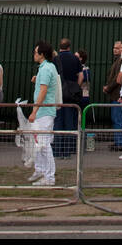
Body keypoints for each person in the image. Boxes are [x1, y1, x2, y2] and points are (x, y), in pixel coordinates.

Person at [28, 41, 59, 186]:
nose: (34, 55)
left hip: (44, 111)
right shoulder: (46, 68)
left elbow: (44, 90)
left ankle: (49, 177)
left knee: (44, 144)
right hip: (43, 111)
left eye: (35, 52)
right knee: (39, 143)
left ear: (41, 54)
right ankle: (40, 170)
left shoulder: (46, 68)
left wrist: (34, 110)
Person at [54, 38, 82, 158]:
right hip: (70, 94)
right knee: (70, 122)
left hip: (58, 92)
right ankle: (68, 150)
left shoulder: (55, 59)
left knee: (58, 122)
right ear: (69, 47)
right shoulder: (75, 59)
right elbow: (80, 75)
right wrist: (76, 87)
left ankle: (56, 150)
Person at [103, 40, 122, 156]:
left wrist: (109, 87)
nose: (116, 50)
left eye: (119, 48)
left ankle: (120, 142)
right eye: (115, 48)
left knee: (119, 119)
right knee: (116, 118)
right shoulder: (118, 60)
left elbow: (118, 78)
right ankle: (118, 140)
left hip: (118, 94)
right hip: (116, 94)